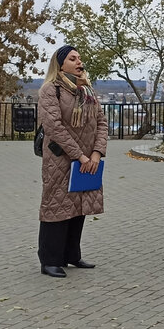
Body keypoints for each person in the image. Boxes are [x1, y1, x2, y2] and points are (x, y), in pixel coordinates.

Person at [36, 44, 108, 278]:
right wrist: (80, 155)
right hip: (61, 158)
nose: (79, 62)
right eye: (72, 58)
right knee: (56, 207)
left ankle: (71, 255)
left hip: (87, 160)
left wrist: (96, 153)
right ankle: (49, 260)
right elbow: (54, 127)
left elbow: (101, 122)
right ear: (60, 65)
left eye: (79, 58)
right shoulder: (50, 90)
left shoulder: (86, 90)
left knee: (79, 206)